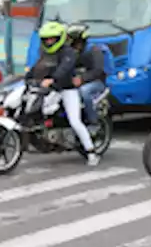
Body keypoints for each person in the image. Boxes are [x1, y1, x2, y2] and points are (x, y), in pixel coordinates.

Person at [27, 21, 98, 165]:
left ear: (60, 38)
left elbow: (64, 68)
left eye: (52, 38)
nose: (49, 41)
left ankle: (91, 152)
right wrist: (28, 77)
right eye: (46, 39)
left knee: (75, 121)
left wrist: (52, 79)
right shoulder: (44, 52)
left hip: (67, 89)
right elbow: (38, 66)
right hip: (50, 89)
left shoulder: (68, 52)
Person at [66, 23, 108, 127]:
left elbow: (98, 70)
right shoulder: (74, 52)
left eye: (72, 40)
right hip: (80, 81)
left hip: (98, 82)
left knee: (84, 92)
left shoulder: (94, 50)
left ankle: (93, 121)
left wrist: (82, 78)